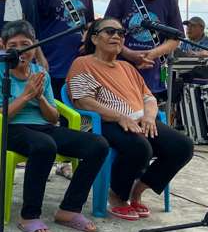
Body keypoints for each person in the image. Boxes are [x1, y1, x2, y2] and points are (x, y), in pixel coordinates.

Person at [0, 21, 109, 232]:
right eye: (14, 45)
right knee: (44, 145)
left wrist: (39, 96)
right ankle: (29, 216)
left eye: (26, 44)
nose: (21, 50)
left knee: (97, 144)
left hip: (42, 127)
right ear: (4, 47)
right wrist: (26, 95)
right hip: (9, 129)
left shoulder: (41, 73)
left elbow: (53, 117)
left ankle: (69, 209)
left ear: (35, 46)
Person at [67, 18, 193, 220]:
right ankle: (117, 195)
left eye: (121, 33)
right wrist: (119, 117)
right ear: (94, 38)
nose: (116, 36)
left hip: (140, 119)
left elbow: (148, 97)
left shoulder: (127, 67)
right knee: (140, 147)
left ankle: (137, 190)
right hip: (105, 122)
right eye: (109, 31)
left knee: (182, 146)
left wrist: (150, 117)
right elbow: (84, 101)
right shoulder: (83, 63)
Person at [104, 0, 182, 98]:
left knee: (150, 115)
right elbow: (106, 32)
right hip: (123, 68)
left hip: (153, 71)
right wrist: (130, 54)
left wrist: (152, 54)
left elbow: (176, 38)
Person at [30, 0, 95, 99]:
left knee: (77, 117)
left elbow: (90, 23)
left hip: (78, 65)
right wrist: (39, 57)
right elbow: (31, 27)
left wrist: (88, 36)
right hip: (50, 63)